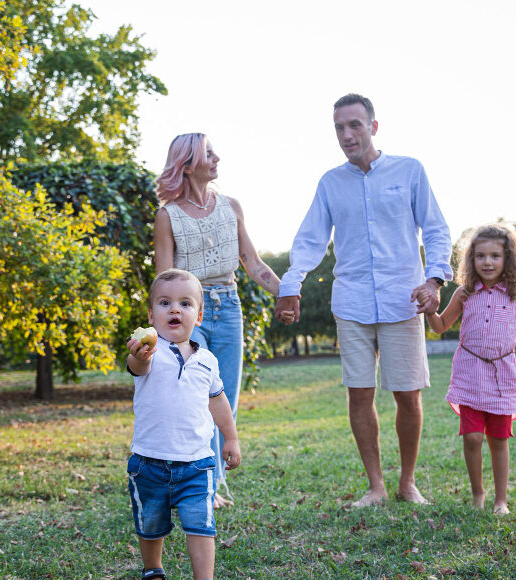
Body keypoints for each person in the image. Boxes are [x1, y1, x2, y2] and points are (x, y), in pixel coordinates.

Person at [275, 93, 452, 507]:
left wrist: (435, 280)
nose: (346, 134)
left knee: (408, 394)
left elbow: (437, 229)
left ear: (374, 126)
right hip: (351, 301)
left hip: (402, 299)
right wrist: (291, 283)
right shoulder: (330, 183)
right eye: (339, 127)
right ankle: (376, 486)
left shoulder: (410, 171)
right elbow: (310, 239)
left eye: (354, 125)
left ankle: (407, 483)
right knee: (359, 393)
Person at [154, 133, 293, 508]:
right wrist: (166, 325)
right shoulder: (167, 216)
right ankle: (203, 486)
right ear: (187, 164)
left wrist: (285, 293)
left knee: (223, 401)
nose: (217, 158)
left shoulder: (230, 207)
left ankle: (212, 484)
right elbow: (164, 280)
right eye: (208, 154)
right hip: (188, 313)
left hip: (229, 307)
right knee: (197, 399)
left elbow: (253, 263)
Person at [126, 268, 241, 580]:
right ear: (151, 315)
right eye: (164, 303)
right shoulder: (150, 352)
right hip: (149, 460)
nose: (174, 310)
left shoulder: (207, 360)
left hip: (196, 462)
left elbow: (218, 401)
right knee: (151, 523)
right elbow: (136, 365)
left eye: (185, 303)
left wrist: (231, 438)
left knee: (202, 523)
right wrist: (138, 352)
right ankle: (153, 572)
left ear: (199, 315)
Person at [426, 225, 514, 515]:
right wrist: (429, 309)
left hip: (504, 375)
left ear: (508, 258)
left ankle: (501, 500)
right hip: (470, 372)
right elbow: (440, 327)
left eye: (495, 256)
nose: (487, 262)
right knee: (473, 437)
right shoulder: (465, 293)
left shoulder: (514, 295)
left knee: (499, 439)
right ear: (471, 260)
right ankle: (478, 493)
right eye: (480, 256)